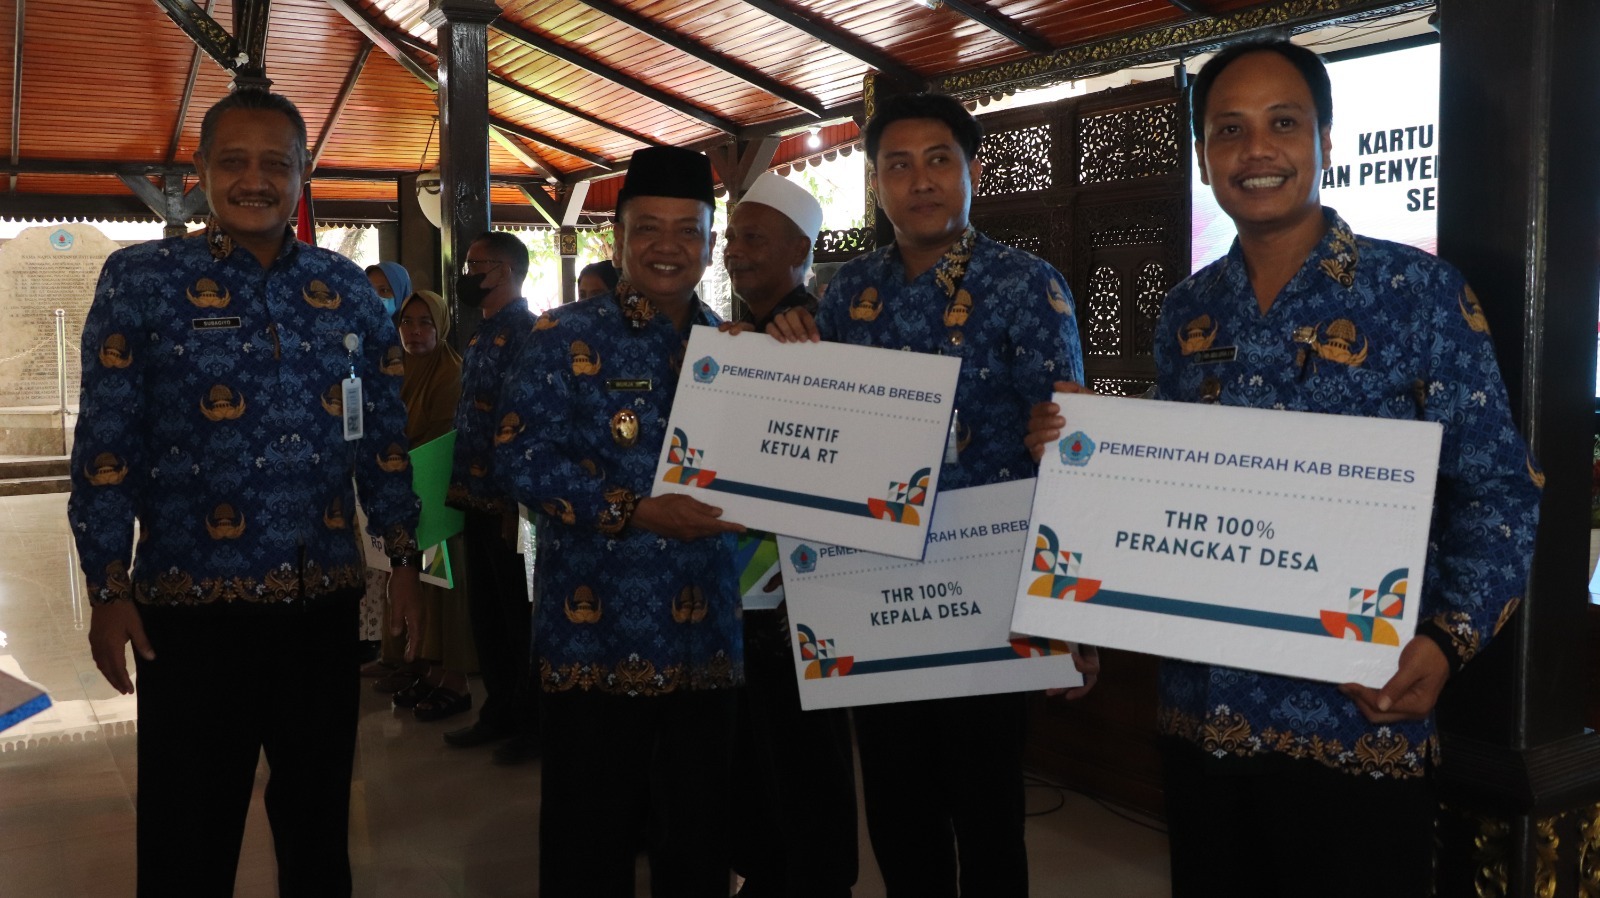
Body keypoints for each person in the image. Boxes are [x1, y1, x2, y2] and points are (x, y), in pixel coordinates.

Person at [1026, 40, 1541, 897]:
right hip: (1204, 720)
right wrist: (1082, 448)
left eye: (1283, 124)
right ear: (1203, 157)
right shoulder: (1188, 311)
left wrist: (1447, 642)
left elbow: (1499, 490)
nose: (1255, 149)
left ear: (1325, 141)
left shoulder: (1418, 294)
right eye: (1229, 130)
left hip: (1359, 720)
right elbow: (1165, 485)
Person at [68, 88, 421, 897]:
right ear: (200, 170)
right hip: (191, 615)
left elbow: (384, 439)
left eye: (275, 163)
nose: (254, 180)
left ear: (303, 173)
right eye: (233, 161)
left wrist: (404, 557)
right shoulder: (143, 280)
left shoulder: (346, 289)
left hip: (320, 607)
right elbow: (107, 446)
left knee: (318, 831)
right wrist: (107, 587)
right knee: (187, 837)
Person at [766, 92, 1091, 898]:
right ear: (877, 182)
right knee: (898, 810)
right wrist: (776, 346)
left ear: (972, 169)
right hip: (870, 592)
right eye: (898, 166)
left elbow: (1070, 456)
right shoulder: (846, 294)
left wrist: (1071, 613)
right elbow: (814, 430)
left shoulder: (1028, 286)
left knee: (988, 816)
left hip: (986, 590)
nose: (920, 182)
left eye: (938, 160)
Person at [494, 146, 745, 897]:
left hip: (705, 642)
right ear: (619, 238)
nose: (668, 246)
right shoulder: (562, 336)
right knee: (588, 842)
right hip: (593, 639)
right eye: (648, 229)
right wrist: (634, 511)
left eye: (687, 230)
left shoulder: (736, 353)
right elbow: (519, 460)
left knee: (698, 842)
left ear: (709, 243)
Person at [722, 172, 859, 898]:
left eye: (752, 238)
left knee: (805, 755)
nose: (733, 251)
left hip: (804, 589)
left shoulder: (818, 334)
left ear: (800, 251)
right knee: (755, 749)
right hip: (743, 587)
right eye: (729, 237)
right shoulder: (739, 335)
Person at [443, 231, 540, 763]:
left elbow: (522, 424)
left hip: (507, 504)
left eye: (475, 265)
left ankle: (531, 722)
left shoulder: (527, 332)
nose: (467, 274)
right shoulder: (483, 332)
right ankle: (498, 711)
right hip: (473, 496)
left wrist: (512, 505)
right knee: (487, 615)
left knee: (517, 617)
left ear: (503, 271)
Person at [390, 289, 478, 721]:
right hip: (408, 491)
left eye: (425, 322)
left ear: (441, 327)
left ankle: (455, 679)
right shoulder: (397, 369)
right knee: (421, 580)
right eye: (408, 322)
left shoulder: (450, 372)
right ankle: (429, 666)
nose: (415, 331)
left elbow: (443, 440)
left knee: (445, 584)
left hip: (441, 496)